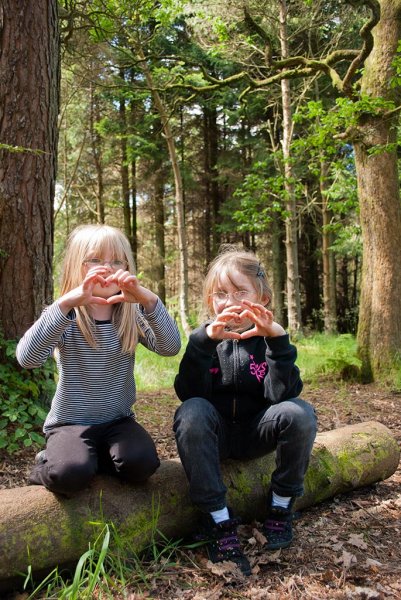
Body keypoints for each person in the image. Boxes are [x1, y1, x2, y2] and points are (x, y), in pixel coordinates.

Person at [173, 247, 317, 575]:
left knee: (300, 413)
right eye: (221, 294)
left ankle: (280, 508)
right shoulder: (204, 342)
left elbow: (283, 395)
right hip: (218, 435)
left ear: (262, 298)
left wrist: (278, 342)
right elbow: (188, 393)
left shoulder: (268, 342)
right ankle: (218, 522)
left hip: (257, 431)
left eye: (241, 292)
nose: (232, 301)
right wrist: (202, 344)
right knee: (192, 411)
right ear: (211, 302)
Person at [16, 224, 181, 496]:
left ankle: (91, 458)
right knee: (69, 474)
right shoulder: (64, 315)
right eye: (94, 260)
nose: (107, 268)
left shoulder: (132, 314)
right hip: (71, 423)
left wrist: (148, 300)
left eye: (117, 261)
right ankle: (49, 461)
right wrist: (65, 303)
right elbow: (28, 358)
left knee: (142, 464)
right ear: (75, 267)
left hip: (118, 421)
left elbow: (170, 347)